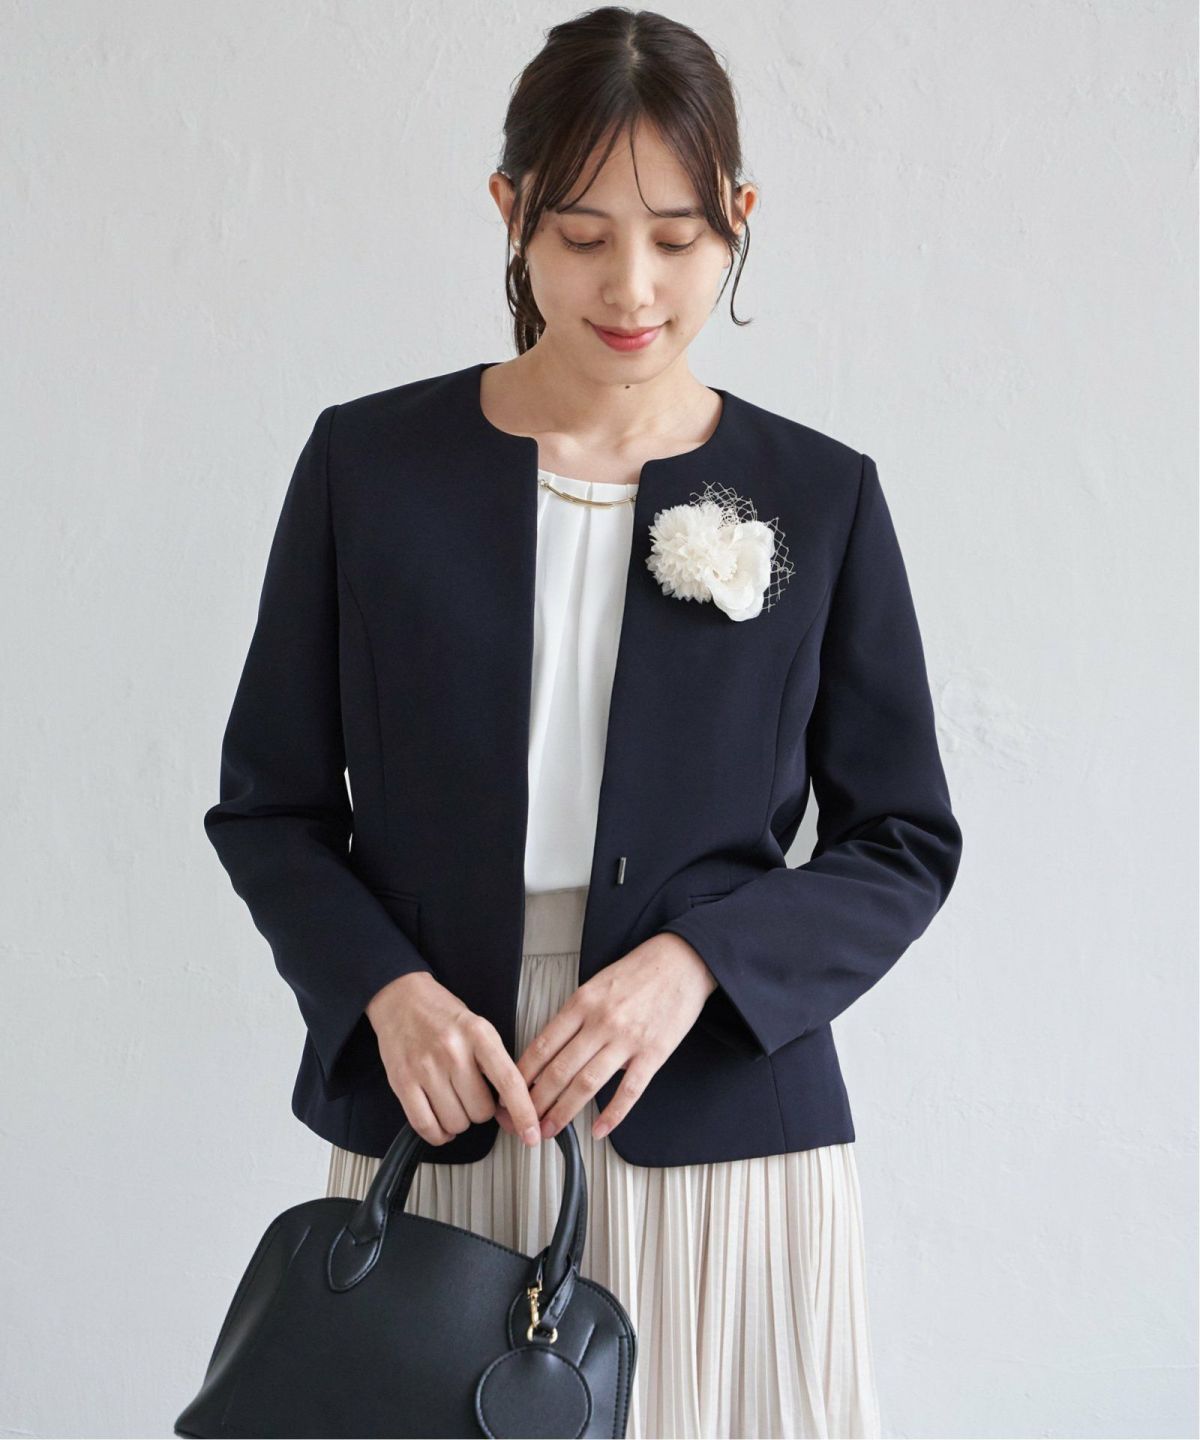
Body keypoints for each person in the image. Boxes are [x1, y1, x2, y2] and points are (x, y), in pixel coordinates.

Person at [204, 9, 963, 1438]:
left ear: (739, 221)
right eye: (582, 235)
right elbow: (271, 808)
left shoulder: (822, 494)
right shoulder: (369, 468)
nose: (632, 286)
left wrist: (697, 967)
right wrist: (386, 992)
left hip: (720, 1125)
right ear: (510, 213)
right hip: (445, 1111)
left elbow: (903, 840)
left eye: (678, 239)